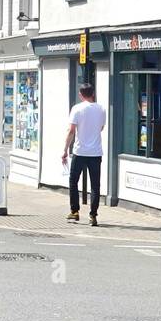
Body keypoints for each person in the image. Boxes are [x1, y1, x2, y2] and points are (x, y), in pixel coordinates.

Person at [62, 83, 106, 226]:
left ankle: (75, 211)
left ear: (81, 95)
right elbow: (101, 128)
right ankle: (93, 215)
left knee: (73, 181)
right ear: (92, 93)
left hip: (79, 152)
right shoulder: (101, 109)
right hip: (95, 152)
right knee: (95, 185)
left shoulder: (77, 109)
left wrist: (64, 150)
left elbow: (71, 131)